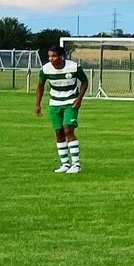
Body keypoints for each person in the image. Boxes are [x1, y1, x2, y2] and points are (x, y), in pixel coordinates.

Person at [35, 44, 88, 174]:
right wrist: (38, 104)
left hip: (71, 102)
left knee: (68, 129)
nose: (51, 59)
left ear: (61, 56)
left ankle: (76, 164)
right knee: (59, 132)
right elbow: (40, 86)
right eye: (49, 56)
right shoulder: (46, 69)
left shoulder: (74, 67)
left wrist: (79, 99)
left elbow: (85, 81)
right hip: (55, 103)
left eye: (54, 56)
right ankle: (65, 164)